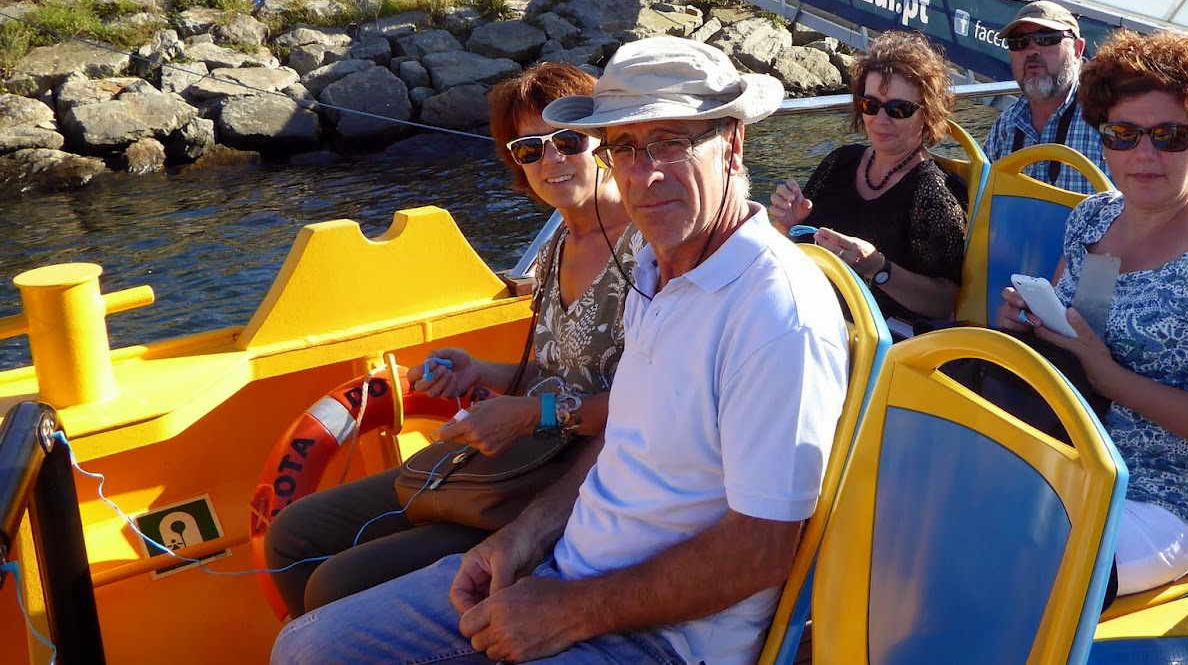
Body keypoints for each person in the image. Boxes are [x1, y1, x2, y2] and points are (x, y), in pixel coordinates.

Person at [270, 37, 849, 665]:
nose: (645, 173)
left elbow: (762, 550)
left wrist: (569, 610)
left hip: (663, 637)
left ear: (732, 144)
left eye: (669, 143)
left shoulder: (775, 312)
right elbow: (620, 440)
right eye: (624, 146)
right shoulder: (656, 273)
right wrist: (522, 539)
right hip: (565, 567)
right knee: (306, 647)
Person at [265, 64, 643, 619]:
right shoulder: (558, 245)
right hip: (526, 457)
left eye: (567, 140)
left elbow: (652, 405)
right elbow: (558, 372)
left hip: (583, 477)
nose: (551, 161)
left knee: (337, 585)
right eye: (529, 149)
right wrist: (479, 372)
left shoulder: (647, 250)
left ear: (605, 140)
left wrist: (529, 416)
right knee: (295, 534)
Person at [996, 29, 1188, 597]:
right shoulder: (1094, 219)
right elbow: (1082, 331)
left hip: (1158, 497)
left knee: (1004, 567)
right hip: (1058, 455)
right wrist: (1034, 326)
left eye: (1170, 136)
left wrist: (1111, 378)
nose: (1144, 155)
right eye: (1124, 134)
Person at [770, 31, 967, 330]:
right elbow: (792, 248)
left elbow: (943, 302)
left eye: (898, 109)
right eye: (870, 105)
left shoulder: (932, 191)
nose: (881, 119)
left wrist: (878, 266)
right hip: (805, 313)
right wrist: (787, 225)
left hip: (870, 338)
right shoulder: (840, 161)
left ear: (927, 113)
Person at [982, 0, 1108, 194]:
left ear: (1077, 50)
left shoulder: (1106, 120)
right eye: (1019, 42)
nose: (1032, 50)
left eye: (1046, 38)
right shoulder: (1006, 126)